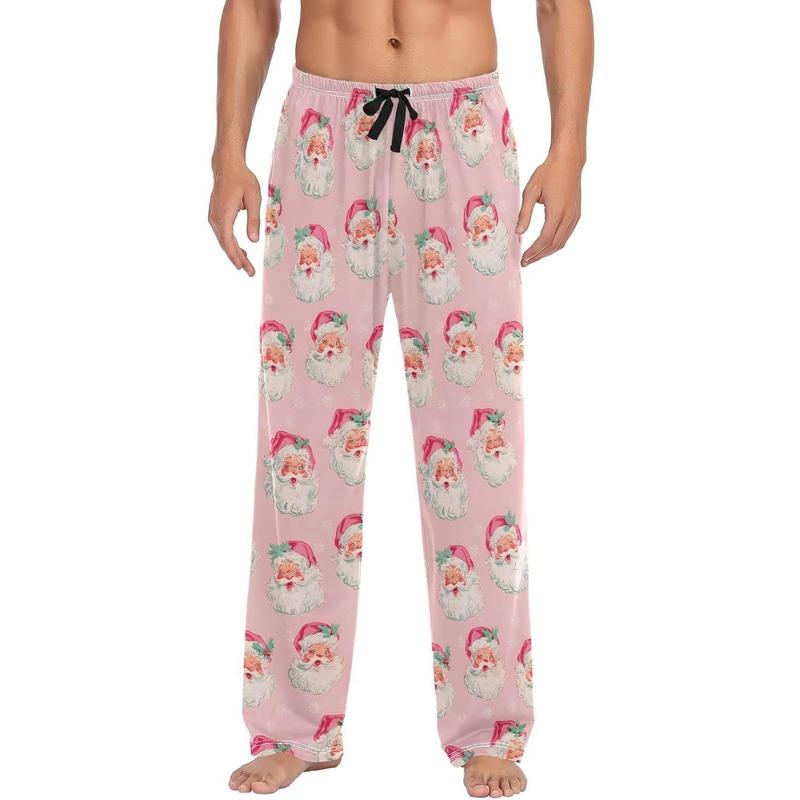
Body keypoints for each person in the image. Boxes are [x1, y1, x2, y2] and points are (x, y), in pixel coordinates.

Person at [208, 1, 593, 796]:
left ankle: (489, 725)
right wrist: (226, 152)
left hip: (463, 130)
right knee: (299, 445)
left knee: (479, 448)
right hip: (323, 129)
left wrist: (570, 151)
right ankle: (294, 724)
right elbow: (252, 4)